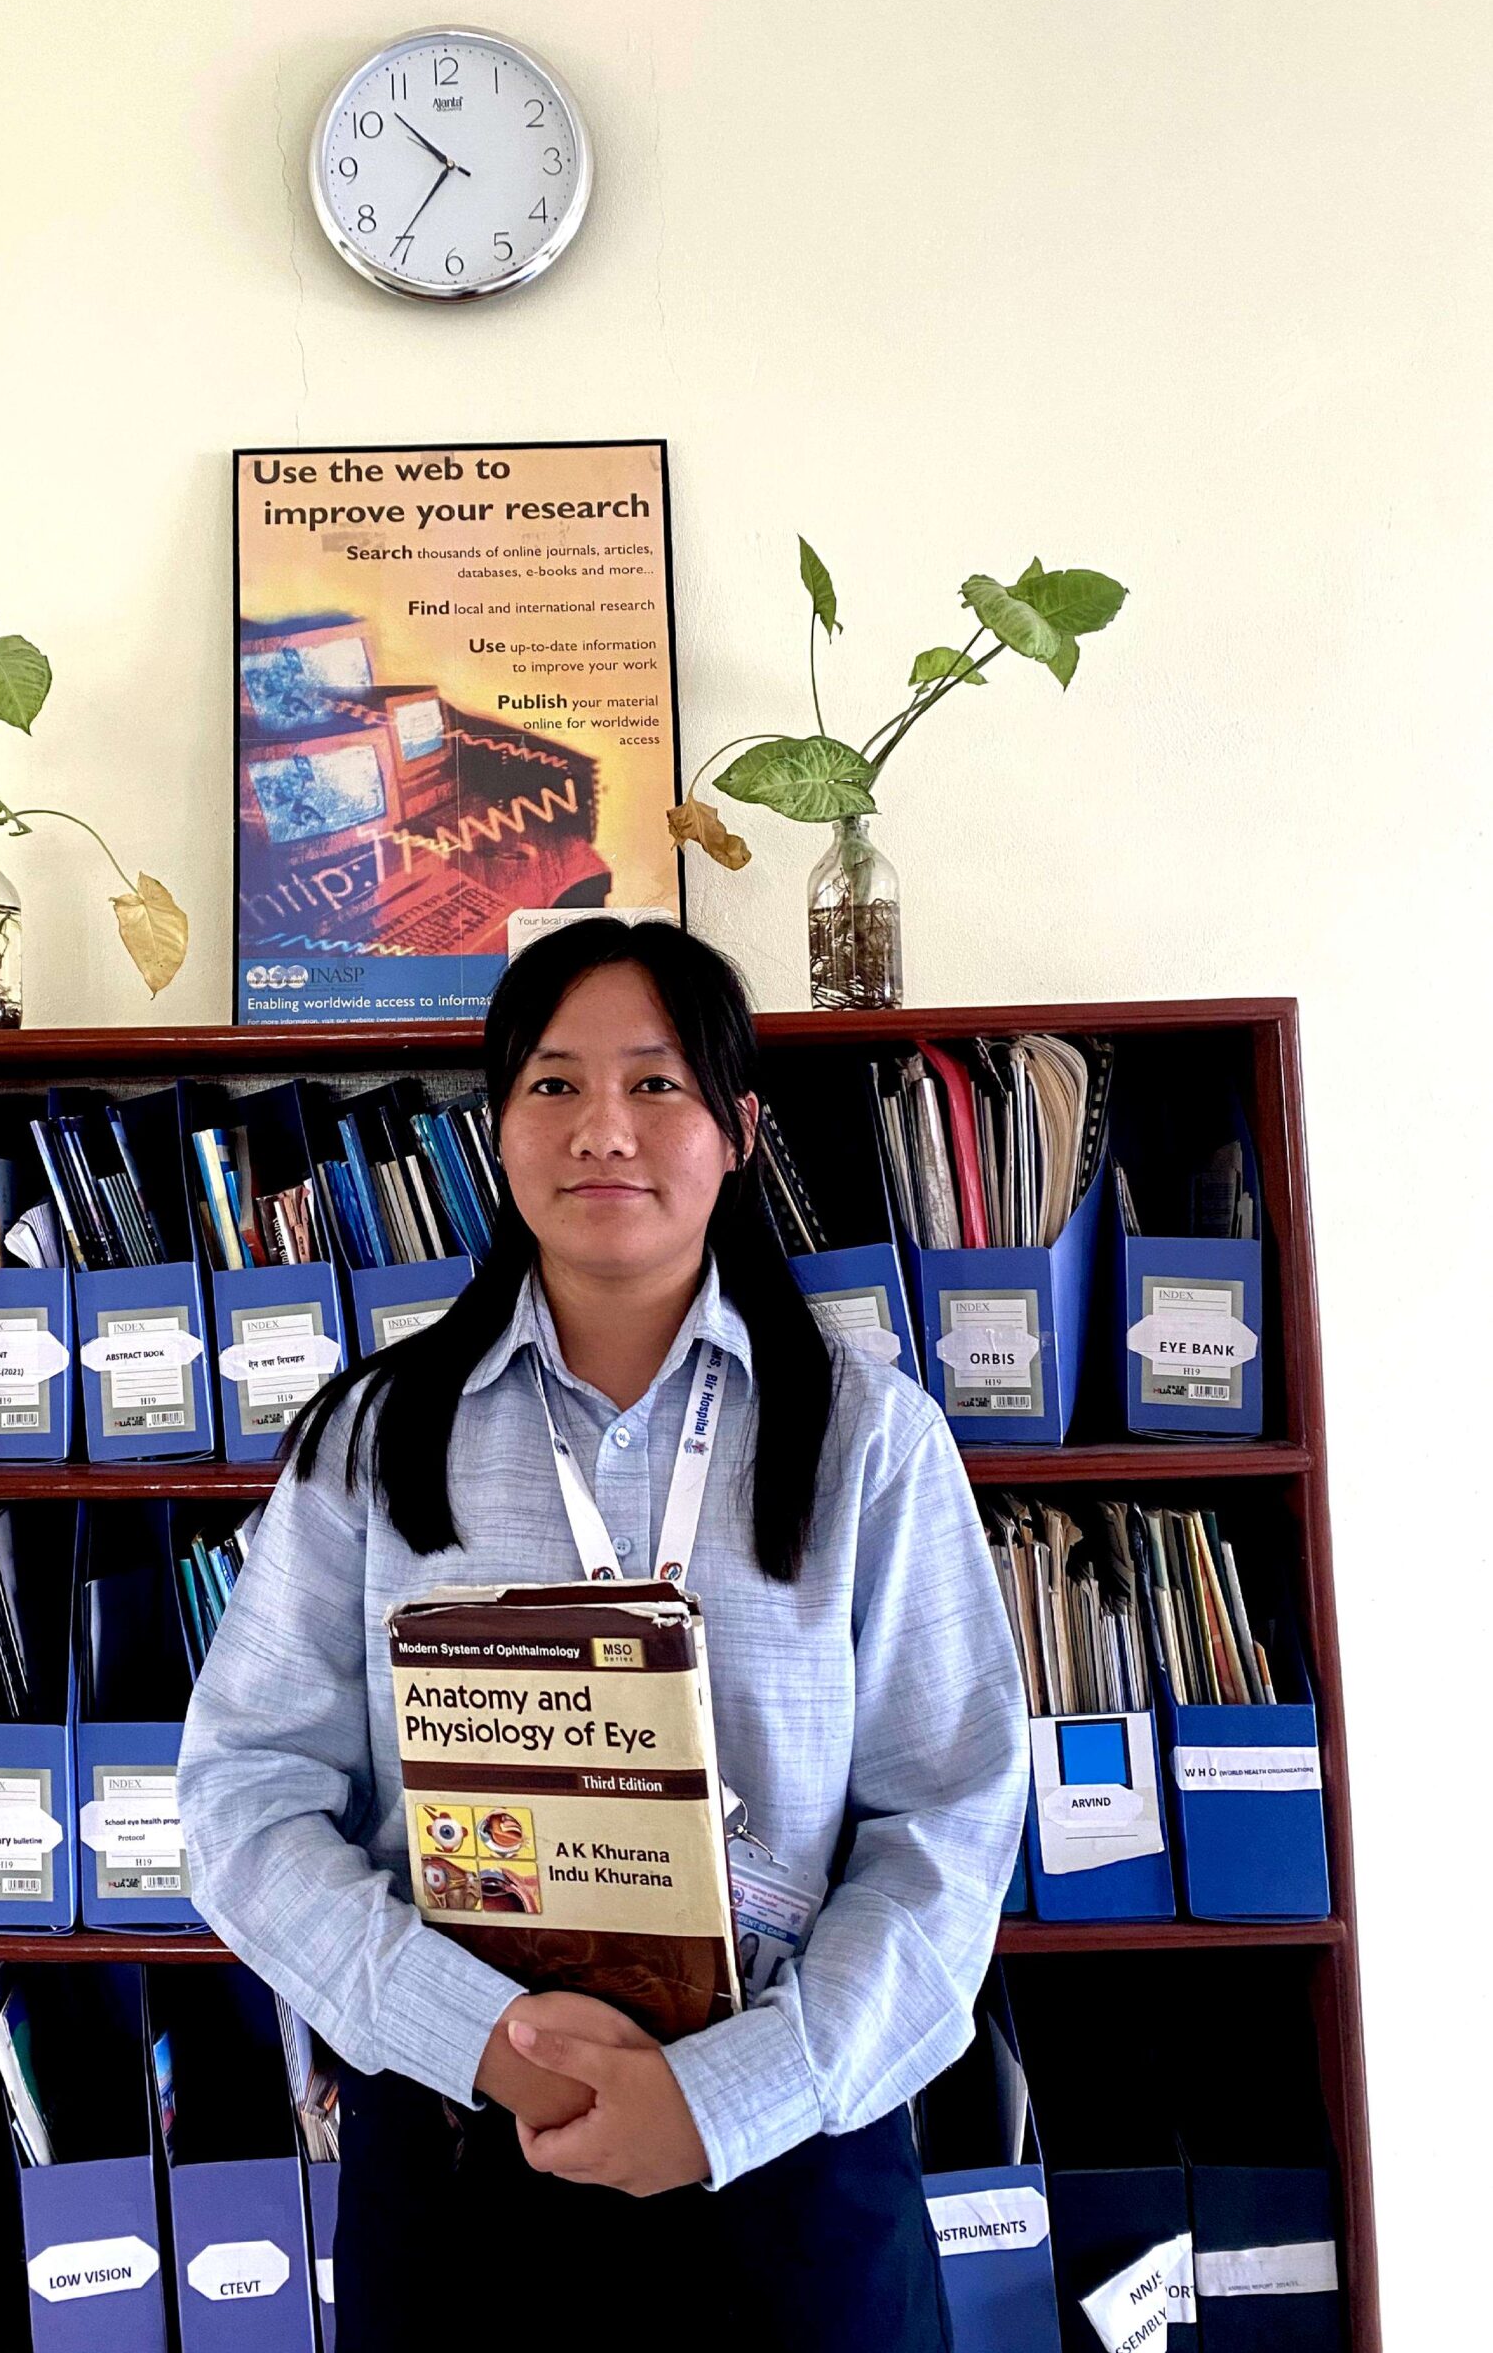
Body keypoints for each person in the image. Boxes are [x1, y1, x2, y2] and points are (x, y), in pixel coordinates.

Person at [179, 918, 1027, 2347]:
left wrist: (731, 2095)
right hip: (467, 2157)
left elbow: (947, 1819)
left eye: (658, 1084)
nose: (603, 1130)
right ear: (499, 1132)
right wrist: (488, 2044)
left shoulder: (869, 1436)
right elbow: (242, 1801)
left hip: (791, 2154)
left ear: (739, 1130)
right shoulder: (377, 1443)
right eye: (554, 1085)